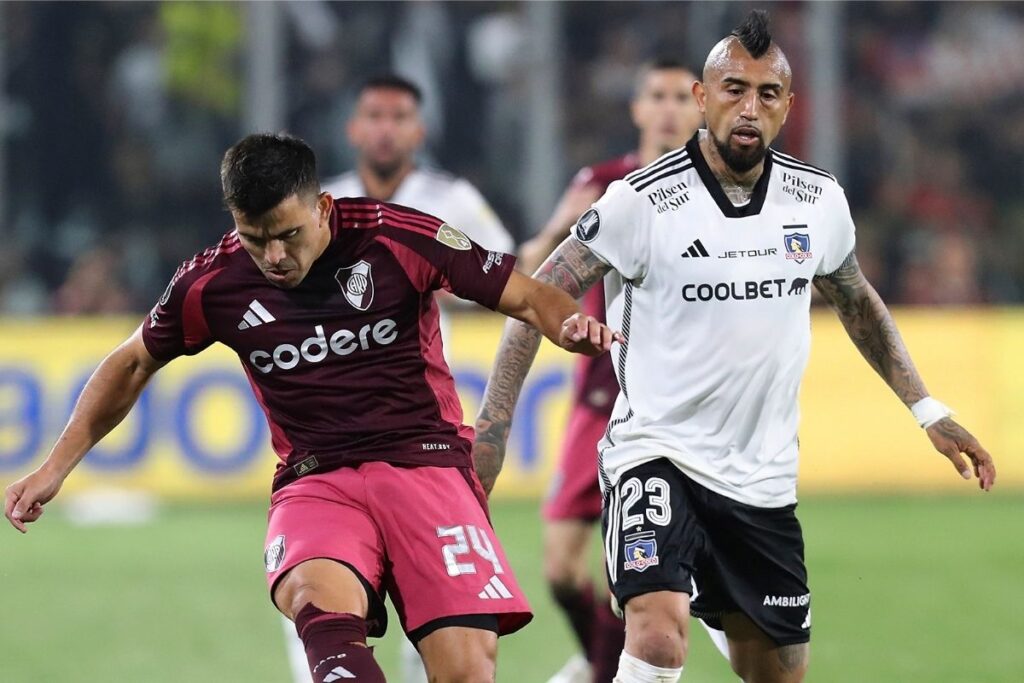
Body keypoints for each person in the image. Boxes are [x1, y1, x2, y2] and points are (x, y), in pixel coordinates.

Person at [472, 11, 996, 683]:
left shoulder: (817, 200)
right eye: (733, 89)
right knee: (657, 639)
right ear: (702, 97)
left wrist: (926, 408)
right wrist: (492, 427)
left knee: (776, 673)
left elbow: (856, 299)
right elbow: (532, 299)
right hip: (655, 455)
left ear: (788, 107)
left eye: (767, 93)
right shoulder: (641, 202)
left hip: (762, 482)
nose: (749, 107)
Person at [4, 133, 622, 683]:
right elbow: (133, 362)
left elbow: (524, 292)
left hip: (426, 464)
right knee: (315, 606)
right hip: (316, 479)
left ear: (322, 207)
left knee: (465, 669)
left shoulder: (396, 235)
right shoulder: (212, 283)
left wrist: (569, 325)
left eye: (288, 235)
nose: (273, 257)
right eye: (255, 239)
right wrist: (54, 467)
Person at [517, 59, 702, 683]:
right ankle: (604, 660)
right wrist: (553, 236)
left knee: (648, 578)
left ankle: (613, 667)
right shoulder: (604, 185)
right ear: (638, 109)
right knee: (562, 570)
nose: (670, 107)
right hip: (600, 397)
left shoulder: (717, 191)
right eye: (658, 95)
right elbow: (537, 263)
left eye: (682, 96)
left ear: (701, 107)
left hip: (676, 409)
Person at [324, 74, 513, 257]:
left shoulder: (455, 198)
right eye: (374, 116)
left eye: (399, 117)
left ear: (419, 134)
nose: (386, 130)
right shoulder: (325, 204)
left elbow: (502, 262)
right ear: (352, 130)